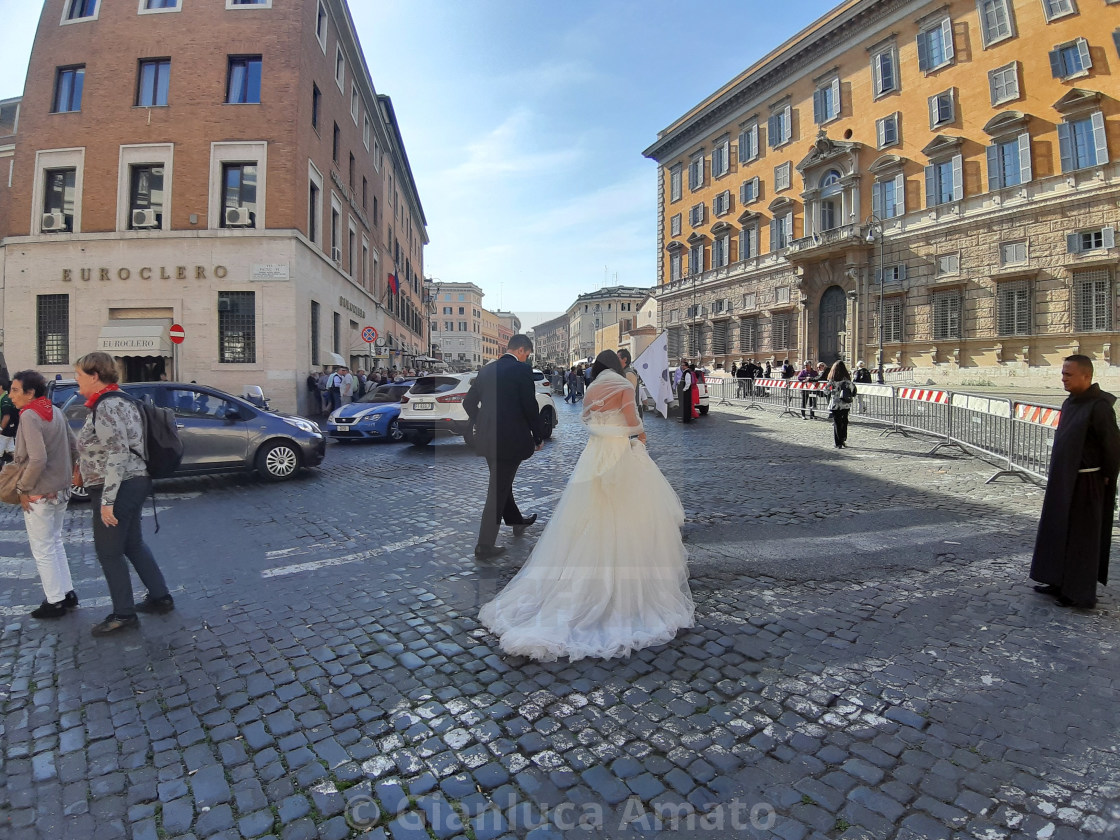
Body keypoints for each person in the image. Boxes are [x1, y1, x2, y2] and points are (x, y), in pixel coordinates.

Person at [478, 349, 694, 661]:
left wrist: (605, 425)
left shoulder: (592, 388)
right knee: (627, 512)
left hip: (593, 456)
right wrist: (641, 436)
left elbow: (585, 418)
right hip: (618, 454)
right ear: (615, 366)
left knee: (587, 513)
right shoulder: (621, 386)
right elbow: (632, 423)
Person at [74, 352, 175, 636]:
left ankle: (124, 614)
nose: (76, 381)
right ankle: (160, 597)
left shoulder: (107, 406)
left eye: (79, 375)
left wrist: (107, 502)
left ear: (95, 376)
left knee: (108, 552)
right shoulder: (121, 400)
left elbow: (117, 454)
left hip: (119, 486)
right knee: (132, 544)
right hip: (134, 481)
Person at [1030, 355, 1120, 609]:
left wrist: (1106, 477)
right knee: (1058, 530)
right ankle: (1055, 579)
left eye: (1068, 374)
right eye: (1063, 373)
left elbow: (1112, 447)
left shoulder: (1100, 407)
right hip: (1063, 480)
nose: (1063, 378)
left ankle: (1077, 592)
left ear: (1086, 376)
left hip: (1086, 482)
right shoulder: (1070, 403)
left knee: (1081, 539)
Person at [464, 335, 545, 560]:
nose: (526, 358)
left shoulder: (486, 370)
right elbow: (530, 406)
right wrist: (538, 435)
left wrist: (482, 420)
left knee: (501, 482)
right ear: (521, 350)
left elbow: (468, 403)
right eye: (527, 354)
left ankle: (516, 521)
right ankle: (484, 545)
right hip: (511, 439)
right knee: (497, 489)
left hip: (487, 438)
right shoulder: (521, 371)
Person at [9, 370, 79, 619]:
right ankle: (66, 592)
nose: (11, 394)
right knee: (55, 542)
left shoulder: (29, 415)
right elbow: (74, 446)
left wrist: (22, 488)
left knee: (42, 548)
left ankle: (55, 600)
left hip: (39, 490)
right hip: (60, 488)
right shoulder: (56, 411)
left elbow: (37, 459)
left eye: (16, 390)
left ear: (30, 393)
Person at [825, 361, 855, 449]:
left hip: (835, 404)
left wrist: (832, 390)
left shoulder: (832, 382)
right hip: (845, 404)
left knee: (837, 423)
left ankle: (838, 443)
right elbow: (853, 390)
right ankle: (843, 438)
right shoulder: (847, 381)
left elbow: (826, 391)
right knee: (844, 421)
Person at [617, 348, 641, 415]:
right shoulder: (623, 373)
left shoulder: (629, 374)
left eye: (617, 358)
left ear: (624, 359)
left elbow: (628, 395)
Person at [0, 379, 18, 463]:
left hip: (6, 430)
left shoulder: (5, 399)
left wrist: (0, 429)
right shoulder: (4, 398)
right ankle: (19, 464)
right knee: (11, 449)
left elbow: (6, 416)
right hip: (10, 429)